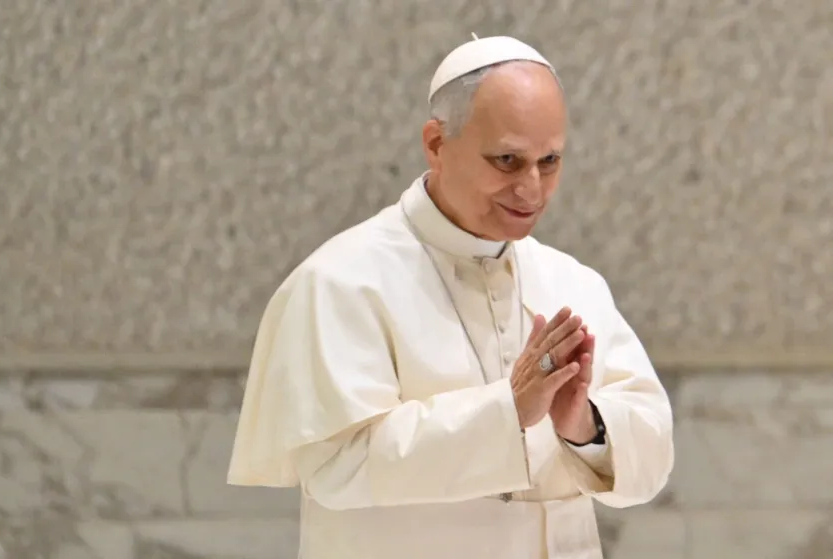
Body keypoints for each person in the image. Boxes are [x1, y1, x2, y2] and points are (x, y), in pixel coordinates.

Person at [227, 35, 674, 559]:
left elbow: (653, 453)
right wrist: (506, 410)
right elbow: (337, 466)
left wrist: (585, 427)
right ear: (436, 144)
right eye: (507, 160)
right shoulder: (341, 281)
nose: (531, 189)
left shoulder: (573, 284)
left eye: (549, 161)